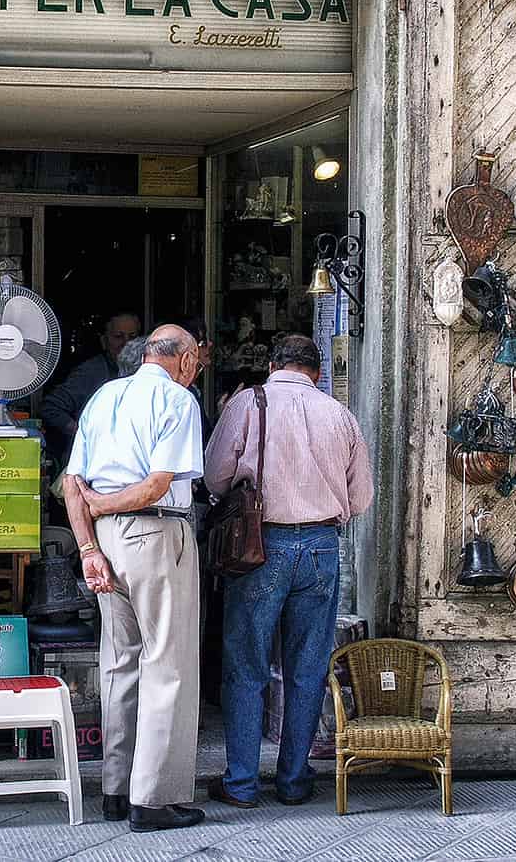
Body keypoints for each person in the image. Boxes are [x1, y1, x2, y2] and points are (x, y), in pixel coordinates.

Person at [202, 334, 374, 809]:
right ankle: (294, 781)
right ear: (317, 372)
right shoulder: (340, 414)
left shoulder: (247, 403)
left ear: (273, 364)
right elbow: (360, 498)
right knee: (307, 667)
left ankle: (241, 783)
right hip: (321, 545)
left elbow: (214, 476)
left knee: (246, 666)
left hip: (259, 544)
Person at [62, 325, 206, 833]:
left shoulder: (104, 396)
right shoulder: (178, 400)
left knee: (119, 661)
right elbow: (156, 485)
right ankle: (153, 799)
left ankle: (116, 790)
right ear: (185, 360)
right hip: (156, 534)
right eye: (197, 362)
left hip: (107, 541)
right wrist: (106, 505)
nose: (196, 371)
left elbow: (71, 484)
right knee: (167, 663)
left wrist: (88, 547)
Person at [42, 311, 141, 459]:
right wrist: (84, 434)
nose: (127, 343)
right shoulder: (90, 373)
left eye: (132, 337)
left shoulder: (144, 372)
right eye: (118, 336)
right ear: (104, 341)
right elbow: (50, 407)